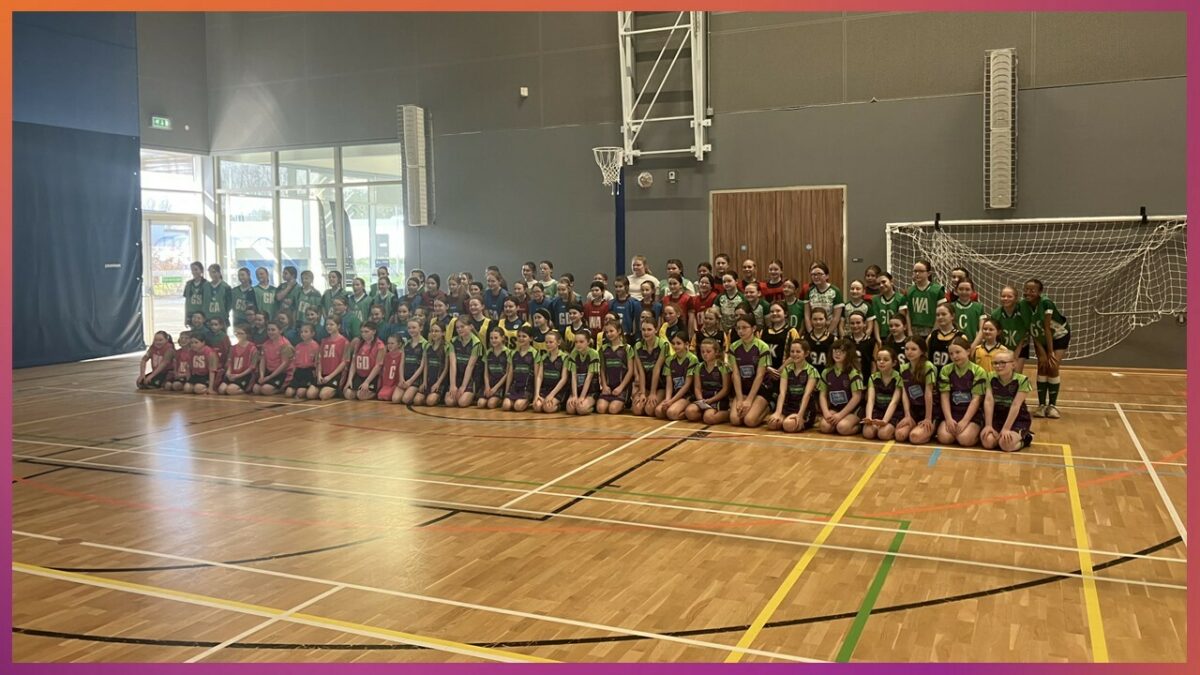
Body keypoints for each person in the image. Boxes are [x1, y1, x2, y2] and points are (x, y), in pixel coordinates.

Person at [1021, 278, 1071, 419]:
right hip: (1040, 337)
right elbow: (1032, 329)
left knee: (1052, 366)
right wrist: (1041, 352)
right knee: (1042, 366)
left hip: (1059, 335)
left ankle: (1052, 406)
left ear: (1040, 292)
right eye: (1026, 289)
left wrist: (1049, 352)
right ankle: (1042, 405)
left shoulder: (1046, 303)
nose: (1028, 292)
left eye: (1032, 290)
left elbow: (1047, 328)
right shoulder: (1023, 305)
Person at [981, 348, 1035, 452]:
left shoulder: (1022, 380)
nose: (998, 366)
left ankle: (1027, 438)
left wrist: (1006, 428)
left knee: (1006, 445)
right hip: (997, 417)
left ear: (1013, 365)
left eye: (1003, 363)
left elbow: (1016, 405)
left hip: (1016, 418)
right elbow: (988, 401)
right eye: (995, 363)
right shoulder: (990, 377)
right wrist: (988, 425)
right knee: (988, 442)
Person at [937, 336, 988, 446]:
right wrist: (948, 419)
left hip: (972, 414)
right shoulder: (946, 370)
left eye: (958, 352)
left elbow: (976, 400)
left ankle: (976, 432)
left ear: (968, 351)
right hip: (953, 412)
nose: (954, 356)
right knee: (944, 438)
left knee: (965, 439)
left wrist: (965, 421)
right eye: (951, 354)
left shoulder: (978, 371)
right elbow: (944, 397)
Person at [767, 339, 819, 433]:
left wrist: (800, 415)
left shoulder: (812, 371)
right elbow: (782, 393)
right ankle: (786, 418)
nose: (794, 354)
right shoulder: (787, 370)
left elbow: (807, 395)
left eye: (798, 351)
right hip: (789, 406)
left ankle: (809, 419)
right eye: (792, 351)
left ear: (806, 353)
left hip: (804, 408)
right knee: (772, 423)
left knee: (788, 425)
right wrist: (778, 412)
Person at [728, 316, 771, 428]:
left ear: (753, 328)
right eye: (738, 328)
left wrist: (749, 400)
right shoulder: (733, 347)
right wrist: (739, 399)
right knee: (735, 420)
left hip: (760, 388)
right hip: (743, 388)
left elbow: (760, 375)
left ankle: (768, 407)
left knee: (749, 420)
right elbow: (736, 374)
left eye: (744, 328)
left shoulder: (763, 347)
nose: (740, 331)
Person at [895, 337, 937, 444]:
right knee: (899, 435)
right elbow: (905, 394)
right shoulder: (903, 368)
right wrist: (907, 415)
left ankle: (932, 429)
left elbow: (928, 393)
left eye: (913, 349)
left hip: (929, 409)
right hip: (914, 409)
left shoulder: (928, 366)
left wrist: (928, 418)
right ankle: (915, 425)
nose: (909, 352)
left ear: (922, 351)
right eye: (906, 349)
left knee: (915, 437)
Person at [817, 338, 864, 435]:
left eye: (842, 351)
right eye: (835, 350)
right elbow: (822, 395)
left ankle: (860, 426)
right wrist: (826, 412)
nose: (837, 354)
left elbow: (856, 397)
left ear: (848, 354)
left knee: (842, 427)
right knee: (825, 427)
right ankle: (837, 423)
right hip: (835, 408)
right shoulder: (826, 372)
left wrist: (840, 415)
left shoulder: (854, 373)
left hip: (853, 410)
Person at [686, 337, 731, 425]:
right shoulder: (699, 367)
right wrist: (701, 400)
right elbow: (697, 388)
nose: (705, 354)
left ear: (716, 352)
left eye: (708, 351)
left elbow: (725, 389)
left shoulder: (722, 367)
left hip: (717, 398)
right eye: (702, 352)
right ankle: (706, 413)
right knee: (690, 412)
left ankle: (728, 414)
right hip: (704, 397)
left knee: (709, 418)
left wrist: (711, 400)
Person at [862, 345, 903, 441]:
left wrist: (885, 421)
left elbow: (894, 402)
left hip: (893, 412)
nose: (881, 362)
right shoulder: (873, 377)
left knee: (883, 434)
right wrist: (869, 417)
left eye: (886, 360)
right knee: (868, 433)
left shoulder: (898, 377)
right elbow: (871, 400)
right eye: (879, 359)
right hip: (878, 410)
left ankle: (894, 429)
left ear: (894, 363)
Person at [595, 321, 635, 415]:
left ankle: (626, 402)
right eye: (607, 332)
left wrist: (621, 388)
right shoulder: (603, 349)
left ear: (619, 331)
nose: (609, 334)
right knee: (600, 409)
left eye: (611, 331)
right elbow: (602, 369)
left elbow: (630, 371)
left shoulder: (627, 348)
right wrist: (604, 386)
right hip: (608, 387)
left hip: (622, 387)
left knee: (613, 409)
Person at [656, 332, 698, 421]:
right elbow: (669, 383)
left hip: (687, 395)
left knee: (671, 413)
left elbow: (687, 385)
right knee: (659, 412)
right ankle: (676, 407)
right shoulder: (669, 360)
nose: (675, 346)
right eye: (673, 343)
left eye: (678, 343)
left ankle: (687, 412)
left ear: (686, 344)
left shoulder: (692, 359)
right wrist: (667, 399)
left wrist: (671, 401)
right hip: (675, 394)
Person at [991, 286, 1030, 378]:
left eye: (1009, 296)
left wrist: (1015, 356)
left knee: (1016, 375)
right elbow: (996, 336)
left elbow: (1025, 335)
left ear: (1016, 298)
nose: (1006, 298)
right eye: (1003, 296)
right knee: (1002, 374)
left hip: (1020, 347)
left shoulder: (1023, 312)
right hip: (1003, 347)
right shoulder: (996, 314)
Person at [631, 320, 668, 417]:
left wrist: (652, 393)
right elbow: (641, 371)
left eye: (649, 329)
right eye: (643, 329)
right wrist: (643, 393)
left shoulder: (663, 344)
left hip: (660, 385)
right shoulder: (637, 346)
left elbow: (657, 369)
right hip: (646, 384)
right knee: (637, 410)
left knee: (649, 410)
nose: (646, 332)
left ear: (656, 330)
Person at [343, 322, 385, 401]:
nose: (363, 334)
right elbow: (354, 363)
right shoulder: (359, 343)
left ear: (374, 331)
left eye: (366, 331)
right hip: (359, 375)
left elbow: (378, 366)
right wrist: (349, 379)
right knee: (348, 394)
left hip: (372, 376)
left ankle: (375, 391)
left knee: (361, 396)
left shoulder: (380, 345)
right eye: (362, 332)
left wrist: (367, 382)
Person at [445, 318, 481, 408]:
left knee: (462, 402)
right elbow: (452, 364)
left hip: (471, 378)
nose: (459, 329)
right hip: (458, 376)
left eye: (462, 326)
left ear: (470, 327)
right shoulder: (453, 341)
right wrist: (453, 385)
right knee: (449, 402)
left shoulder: (476, 343)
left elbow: (470, 366)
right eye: (457, 328)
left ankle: (472, 395)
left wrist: (463, 386)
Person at [414, 321, 451, 406]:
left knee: (430, 402)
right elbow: (426, 366)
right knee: (417, 401)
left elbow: (446, 368)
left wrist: (438, 383)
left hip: (440, 381)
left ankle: (440, 397)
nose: (433, 333)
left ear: (443, 333)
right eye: (432, 331)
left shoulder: (447, 347)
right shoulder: (427, 346)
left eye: (436, 331)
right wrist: (424, 382)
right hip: (429, 380)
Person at [905, 259, 944, 339]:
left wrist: (934, 331)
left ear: (928, 273)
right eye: (915, 271)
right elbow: (907, 313)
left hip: (932, 329)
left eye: (921, 271)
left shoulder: (937, 290)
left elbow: (941, 313)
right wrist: (909, 331)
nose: (917, 274)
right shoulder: (910, 291)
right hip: (914, 330)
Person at [532, 330, 569, 413]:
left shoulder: (564, 357)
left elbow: (564, 379)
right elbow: (539, 377)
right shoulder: (544, 357)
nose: (548, 344)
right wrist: (537, 394)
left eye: (551, 342)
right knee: (537, 407)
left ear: (558, 342)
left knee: (548, 408)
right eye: (546, 342)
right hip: (546, 389)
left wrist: (551, 395)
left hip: (558, 390)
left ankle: (561, 405)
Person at [565, 329, 600, 415]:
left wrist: (582, 397)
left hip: (590, 391)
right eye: (576, 342)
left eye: (581, 342)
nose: (578, 344)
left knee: (581, 409)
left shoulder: (594, 354)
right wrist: (574, 396)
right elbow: (573, 377)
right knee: (570, 410)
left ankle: (593, 406)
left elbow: (589, 378)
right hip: (577, 390)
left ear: (588, 342)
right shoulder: (573, 354)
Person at [503, 327, 538, 411]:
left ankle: (528, 400)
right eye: (519, 336)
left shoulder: (535, 353)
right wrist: (506, 391)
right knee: (506, 406)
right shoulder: (513, 353)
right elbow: (510, 374)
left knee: (518, 406)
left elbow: (537, 376)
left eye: (524, 336)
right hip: (515, 386)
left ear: (531, 338)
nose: (521, 338)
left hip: (527, 388)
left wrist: (536, 395)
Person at [254, 322, 293, 396]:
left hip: (282, 373)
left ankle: (282, 388)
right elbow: (263, 360)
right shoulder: (265, 344)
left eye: (273, 330)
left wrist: (269, 377)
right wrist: (262, 376)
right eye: (268, 330)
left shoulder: (285, 345)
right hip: (270, 371)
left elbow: (284, 364)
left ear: (280, 331)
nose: (270, 332)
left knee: (265, 389)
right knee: (256, 389)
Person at [804, 261, 844, 333]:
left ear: (827, 276)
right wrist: (810, 332)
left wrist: (827, 334)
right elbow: (807, 316)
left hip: (830, 332)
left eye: (819, 274)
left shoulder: (835, 291)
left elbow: (836, 318)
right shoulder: (809, 292)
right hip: (813, 332)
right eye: (813, 274)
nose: (816, 277)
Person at [316, 317, 350, 400]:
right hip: (324, 374)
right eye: (327, 324)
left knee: (323, 395)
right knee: (310, 394)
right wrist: (319, 375)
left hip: (335, 375)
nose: (328, 326)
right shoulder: (324, 341)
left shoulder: (345, 342)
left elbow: (344, 362)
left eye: (331, 324)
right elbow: (320, 360)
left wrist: (330, 376)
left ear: (338, 326)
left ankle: (337, 390)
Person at [870, 272, 907, 345]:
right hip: (882, 336)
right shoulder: (875, 299)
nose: (881, 285)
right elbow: (876, 320)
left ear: (891, 281)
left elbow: (902, 319)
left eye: (884, 282)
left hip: (896, 336)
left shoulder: (900, 298)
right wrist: (878, 339)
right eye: (878, 284)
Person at [219, 326, 258, 395]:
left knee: (230, 390)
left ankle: (246, 389)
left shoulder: (252, 348)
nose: (238, 335)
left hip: (244, 375)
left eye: (241, 333)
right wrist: (228, 373)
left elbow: (252, 367)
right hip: (233, 373)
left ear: (247, 335)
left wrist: (239, 375)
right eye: (237, 333)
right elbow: (230, 363)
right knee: (221, 390)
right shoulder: (233, 347)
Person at [397, 319, 428, 405]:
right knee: (395, 399)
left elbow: (422, 366)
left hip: (416, 379)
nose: (411, 330)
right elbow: (402, 363)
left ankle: (418, 393)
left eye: (414, 327)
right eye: (409, 328)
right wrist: (401, 378)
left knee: (406, 399)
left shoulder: (425, 344)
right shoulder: (406, 343)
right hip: (405, 377)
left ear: (421, 328)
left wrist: (410, 381)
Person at [478, 327, 510, 409]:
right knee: (480, 403)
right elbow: (486, 373)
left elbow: (507, 374)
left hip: (500, 385)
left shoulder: (508, 353)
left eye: (496, 338)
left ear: (502, 338)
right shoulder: (488, 352)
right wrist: (487, 386)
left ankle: (500, 399)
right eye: (491, 338)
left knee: (491, 404)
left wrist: (495, 388)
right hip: (490, 383)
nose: (493, 340)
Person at [951, 278, 986, 348]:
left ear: (972, 291)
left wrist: (973, 347)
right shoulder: (950, 307)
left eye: (967, 289)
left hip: (974, 344)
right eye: (961, 289)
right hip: (955, 345)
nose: (964, 292)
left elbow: (981, 330)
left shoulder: (979, 307)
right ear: (956, 290)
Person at [926, 303, 960, 371]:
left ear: (952, 316)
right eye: (938, 315)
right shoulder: (931, 336)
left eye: (944, 314)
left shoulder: (960, 336)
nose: (940, 317)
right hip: (934, 375)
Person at [847, 312, 877, 381]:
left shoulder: (872, 342)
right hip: (848, 380)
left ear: (864, 323)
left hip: (866, 379)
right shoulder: (846, 340)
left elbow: (874, 364)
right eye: (852, 323)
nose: (855, 326)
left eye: (858, 323)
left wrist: (871, 380)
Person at [804, 306, 835, 371]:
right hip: (809, 374)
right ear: (811, 320)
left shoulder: (833, 339)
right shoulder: (804, 338)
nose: (818, 322)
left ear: (826, 320)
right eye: (815, 319)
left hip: (827, 374)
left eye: (821, 319)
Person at [183, 262, 210, 328]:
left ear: (201, 270)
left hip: (202, 315)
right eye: (192, 270)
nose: (194, 272)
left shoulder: (207, 284)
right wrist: (186, 318)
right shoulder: (188, 284)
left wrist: (207, 317)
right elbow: (187, 302)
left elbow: (208, 302)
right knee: (193, 332)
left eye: (196, 269)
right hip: (191, 315)